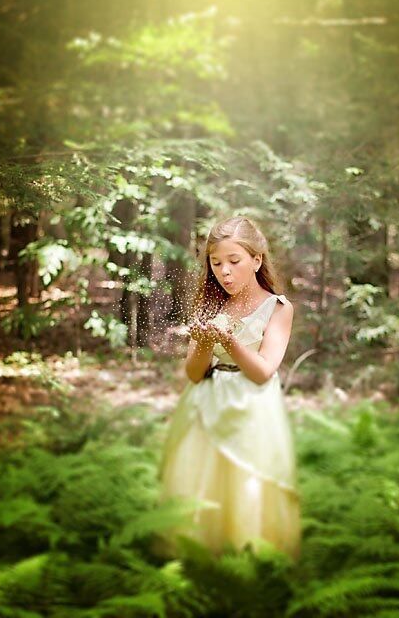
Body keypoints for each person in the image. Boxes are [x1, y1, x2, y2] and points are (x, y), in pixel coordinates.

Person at [156, 216, 301, 560]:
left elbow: (263, 372)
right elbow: (194, 374)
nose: (224, 271)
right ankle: (199, 556)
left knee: (246, 482)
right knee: (201, 478)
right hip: (206, 403)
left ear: (256, 260)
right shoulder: (210, 304)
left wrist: (229, 342)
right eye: (216, 262)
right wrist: (205, 343)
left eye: (234, 261)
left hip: (252, 408)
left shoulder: (278, 308)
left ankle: (247, 558)